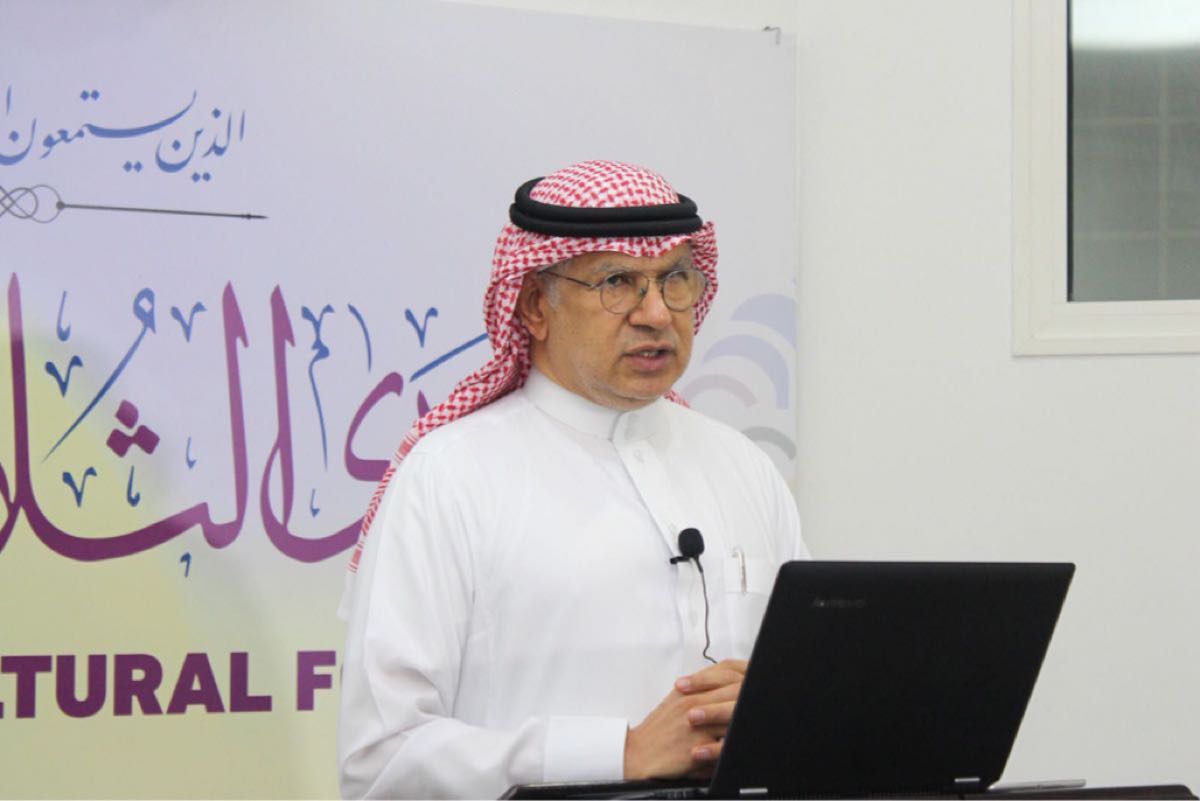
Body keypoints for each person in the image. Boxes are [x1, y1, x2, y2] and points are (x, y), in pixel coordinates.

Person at [338, 160, 807, 799]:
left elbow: (811, 690)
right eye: (617, 282)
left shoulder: (742, 466)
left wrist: (776, 708)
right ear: (535, 306)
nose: (656, 313)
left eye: (675, 279)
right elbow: (381, 762)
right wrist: (620, 752)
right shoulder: (449, 477)